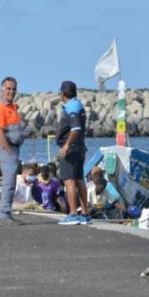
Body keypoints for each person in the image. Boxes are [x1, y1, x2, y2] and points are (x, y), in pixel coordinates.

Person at [0, 76, 26, 225]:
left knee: (11, 182)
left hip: (13, 149)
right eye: (8, 89)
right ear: (2, 90)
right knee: (9, 183)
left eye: (14, 89)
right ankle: (4, 215)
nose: (11, 91)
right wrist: (8, 151)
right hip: (7, 150)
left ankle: (6, 213)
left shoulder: (13, 107)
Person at [55, 81, 92, 226]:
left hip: (71, 149)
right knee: (79, 179)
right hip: (80, 147)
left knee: (69, 181)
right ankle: (85, 214)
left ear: (63, 94)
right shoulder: (78, 104)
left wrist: (66, 145)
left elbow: (75, 129)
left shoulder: (71, 107)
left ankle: (73, 214)